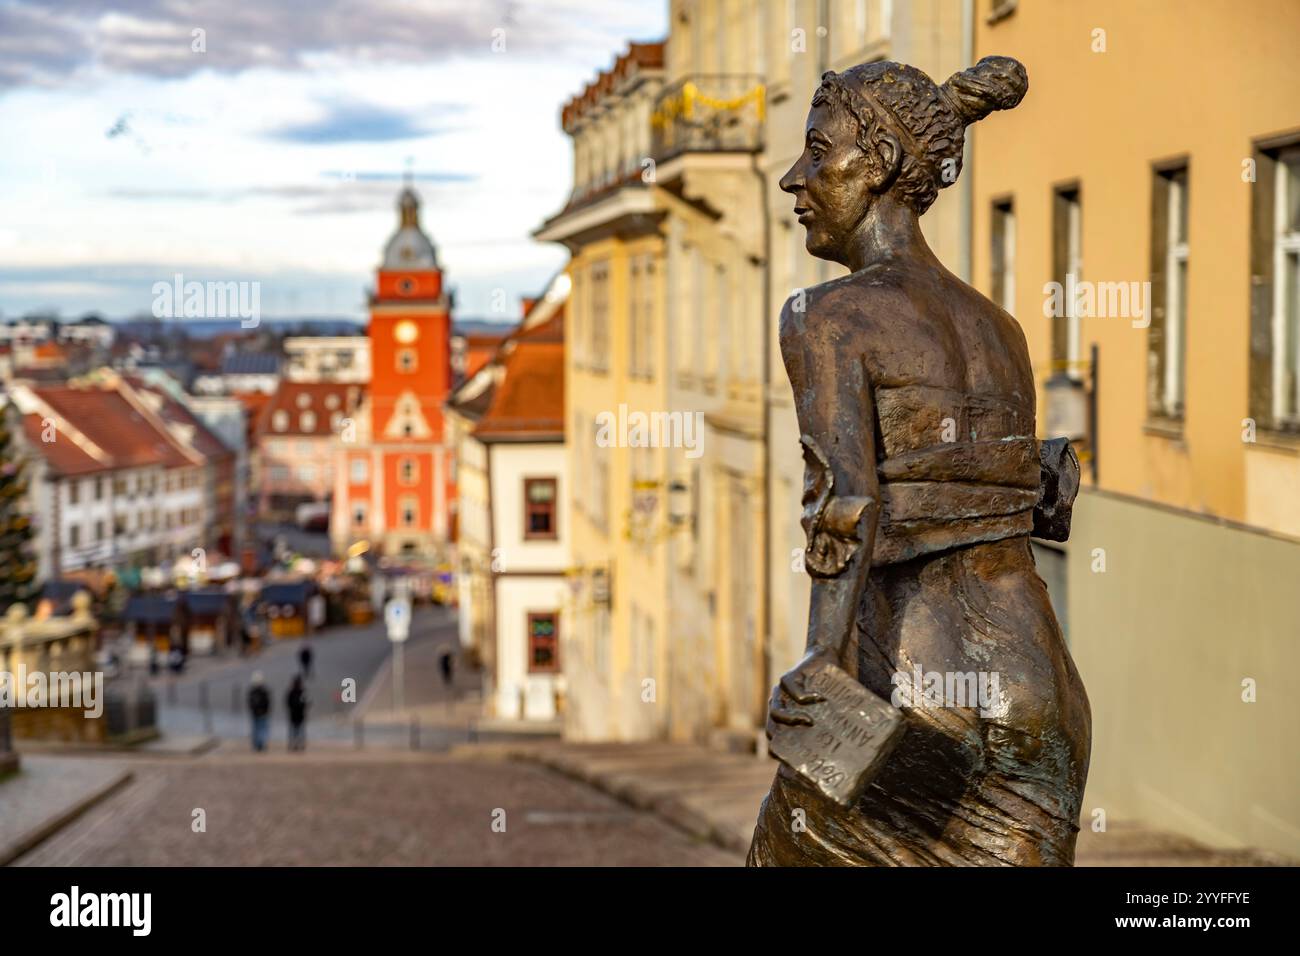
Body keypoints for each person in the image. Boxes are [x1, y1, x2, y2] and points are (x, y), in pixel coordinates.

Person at [747, 57, 1090, 867]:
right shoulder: (1000, 328)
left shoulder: (824, 317)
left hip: (913, 684)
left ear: (882, 165)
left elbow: (845, 503)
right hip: (1040, 687)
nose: (796, 180)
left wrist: (820, 666)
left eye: (817, 150)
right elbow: (1039, 495)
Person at [247, 672, 271, 752]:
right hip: (259, 713)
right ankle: (259, 744)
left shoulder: (256, 692)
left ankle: (259, 744)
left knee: (258, 729)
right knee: (259, 729)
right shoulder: (260, 691)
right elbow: (267, 702)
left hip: (260, 713)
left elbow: (267, 702)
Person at [286, 675, 309, 751]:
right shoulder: (295, 692)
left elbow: (305, 702)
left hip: (297, 715)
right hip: (296, 715)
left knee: (296, 731)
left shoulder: (295, 692)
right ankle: (296, 745)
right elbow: (288, 703)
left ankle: (297, 745)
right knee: (297, 731)